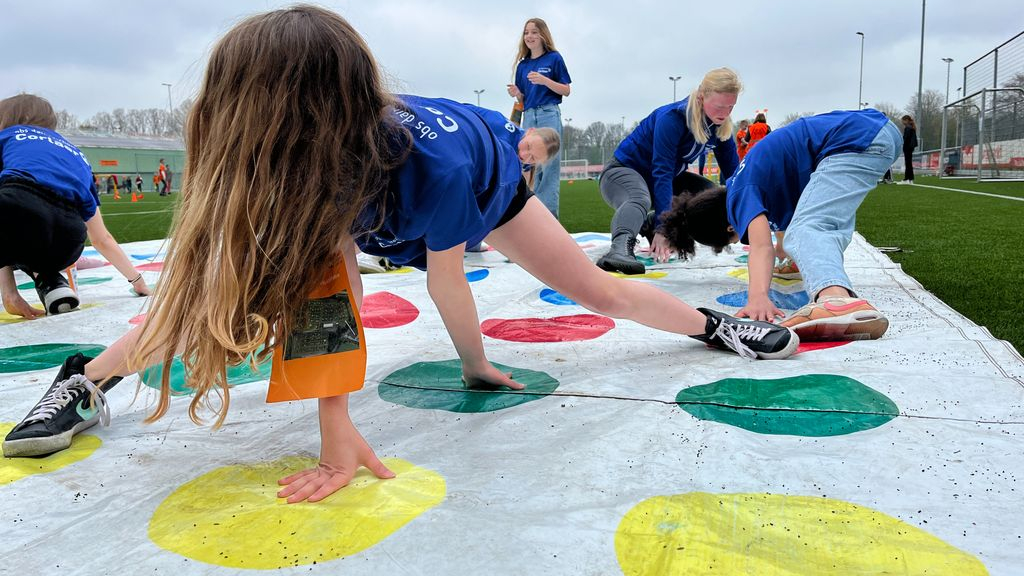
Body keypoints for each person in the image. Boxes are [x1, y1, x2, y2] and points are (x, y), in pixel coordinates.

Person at [3, 7, 798, 503]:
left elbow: (445, 283)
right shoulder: (293, 164)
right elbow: (329, 285)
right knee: (217, 292)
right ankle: (86, 380)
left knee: (600, 290)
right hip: (368, 188)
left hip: (483, 197)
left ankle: (715, 324)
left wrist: (476, 366)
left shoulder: (446, 168)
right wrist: (334, 416)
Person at [660, 108, 901, 341]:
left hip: (853, 140)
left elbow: (761, 246)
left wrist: (757, 297)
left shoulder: (740, 194)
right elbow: (785, 224)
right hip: (871, 133)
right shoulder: (749, 182)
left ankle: (836, 300)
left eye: (736, 239)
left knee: (808, 228)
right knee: (816, 224)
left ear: (730, 227)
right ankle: (834, 292)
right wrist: (787, 255)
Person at [0, 94, 151, 320]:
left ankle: (28, 286)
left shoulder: (7, 137)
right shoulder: (77, 154)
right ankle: (53, 286)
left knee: (17, 227)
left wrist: (10, 293)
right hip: (68, 242)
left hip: (17, 213)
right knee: (32, 239)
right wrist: (138, 282)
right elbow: (102, 239)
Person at [595, 68, 742, 275]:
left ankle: (647, 223)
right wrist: (663, 228)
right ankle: (619, 250)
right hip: (622, 172)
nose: (725, 113)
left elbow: (734, 174)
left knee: (711, 197)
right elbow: (661, 172)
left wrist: (746, 216)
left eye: (731, 107)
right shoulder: (672, 118)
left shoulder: (720, 126)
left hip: (664, 179)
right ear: (701, 97)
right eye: (719, 106)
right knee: (640, 197)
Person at [506, 18, 570, 219]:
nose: (529, 36)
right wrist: (517, 93)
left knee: (549, 166)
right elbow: (523, 99)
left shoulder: (554, 59)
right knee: (528, 165)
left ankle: (549, 218)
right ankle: (529, 216)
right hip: (529, 116)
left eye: (534, 32)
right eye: (526, 33)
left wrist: (544, 80)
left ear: (543, 34)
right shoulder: (523, 66)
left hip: (548, 114)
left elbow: (566, 90)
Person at [897, 115, 917, 184]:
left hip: (908, 147)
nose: (902, 122)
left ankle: (906, 179)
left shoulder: (908, 128)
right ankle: (910, 179)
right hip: (911, 147)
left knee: (908, 163)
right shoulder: (912, 127)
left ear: (906, 120)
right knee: (909, 163)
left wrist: (901, 141)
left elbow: (906, 138)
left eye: (903, 120)